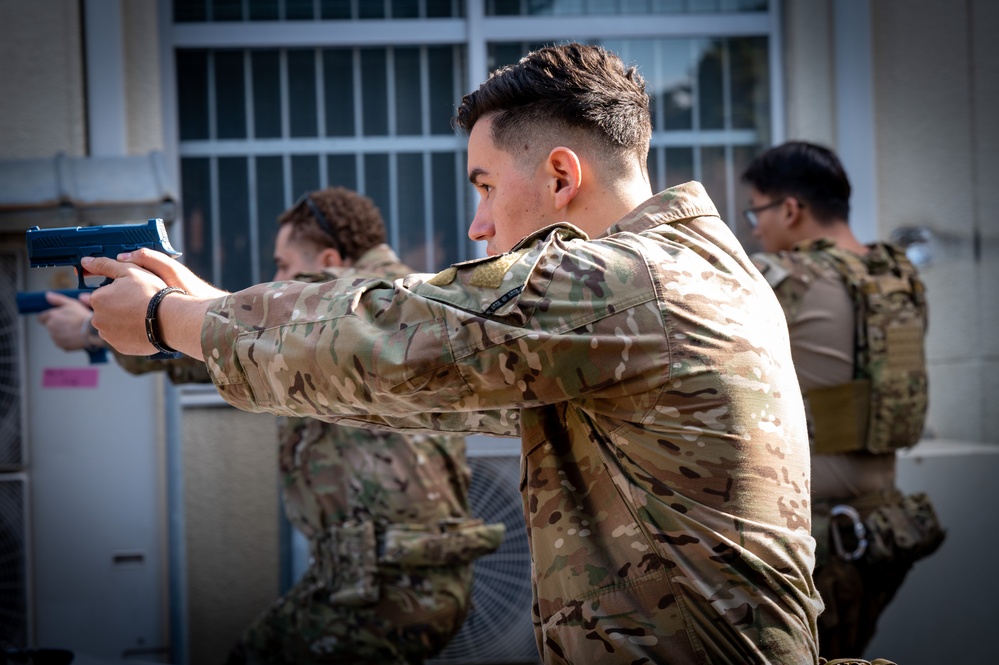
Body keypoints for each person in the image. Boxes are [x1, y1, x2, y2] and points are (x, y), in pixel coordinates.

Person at [85, 44, 823, 664]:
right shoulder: (687, 268)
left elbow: (388, 343)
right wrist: (208, 306)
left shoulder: (625, 282)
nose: (476, 225)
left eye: (485, 186)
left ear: (561, 176)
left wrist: (163, 320)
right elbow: (411, 378)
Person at [41, 188, 503, 665]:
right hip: (402, 573)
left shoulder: (343, 301)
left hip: (385, 582)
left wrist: (93, 328)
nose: (278, 281)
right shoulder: (397, 300)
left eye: (283, 266)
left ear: (328, 259)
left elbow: (225, 346)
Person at [742, 141, 945, 659]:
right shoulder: (896, 276)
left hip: (824, 536)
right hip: (885, 527)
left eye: (756, 210)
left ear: (790, 209)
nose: (754, 227)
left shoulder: (784, 280)